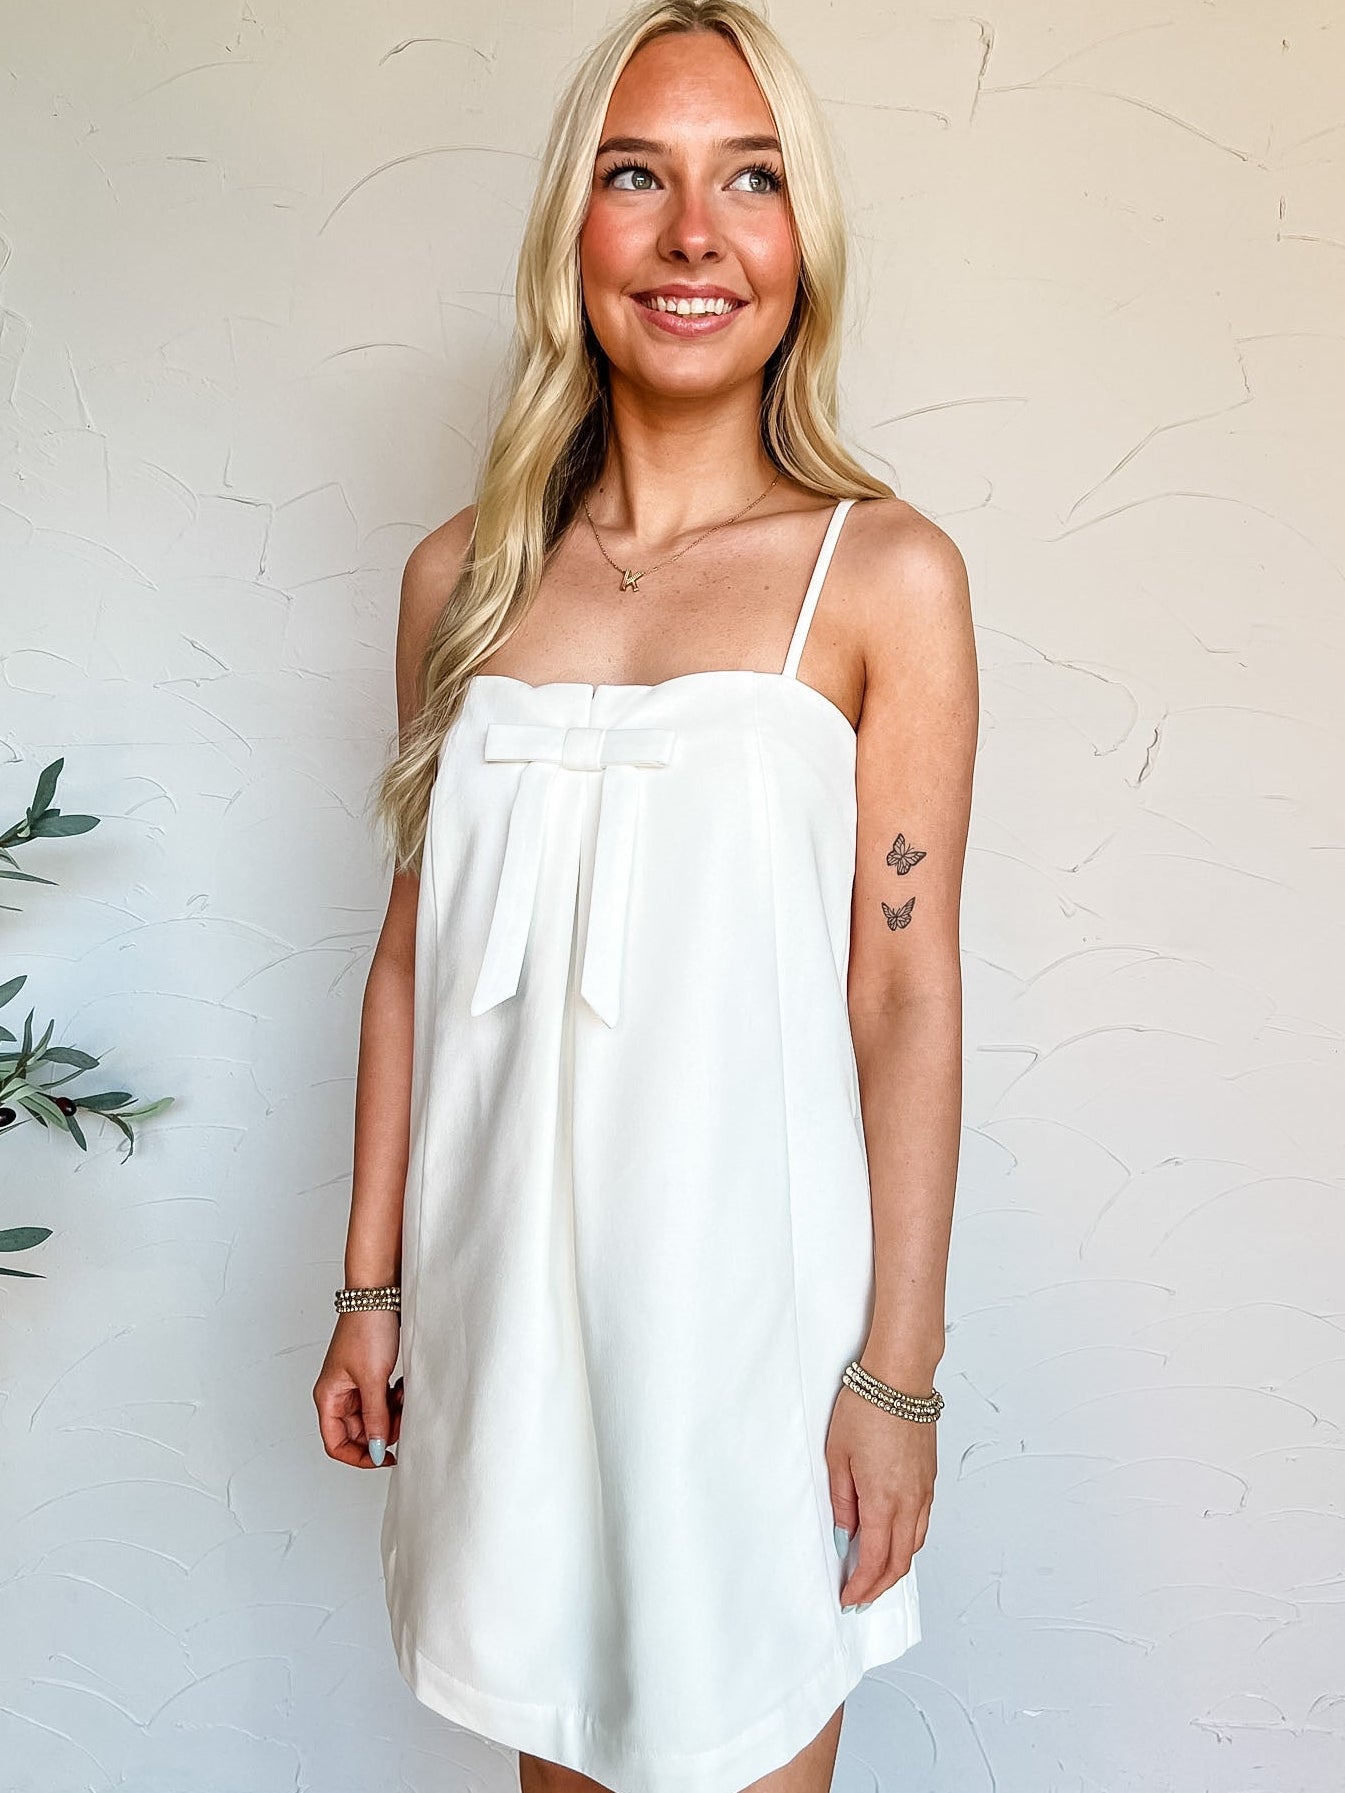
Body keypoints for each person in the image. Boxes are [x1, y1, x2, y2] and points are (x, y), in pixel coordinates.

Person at [313, 3, 978, 1790]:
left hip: (749, 1334)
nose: (697, 236)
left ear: (802, 239)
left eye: (749, 179)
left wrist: (893, 1380)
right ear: (574, 231)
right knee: (555, 1755)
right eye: (639, 177)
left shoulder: (883, 575)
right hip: (505, 1316)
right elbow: (406, 955)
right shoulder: (457, 577)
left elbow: (904, 997)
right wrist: (366, 1287)